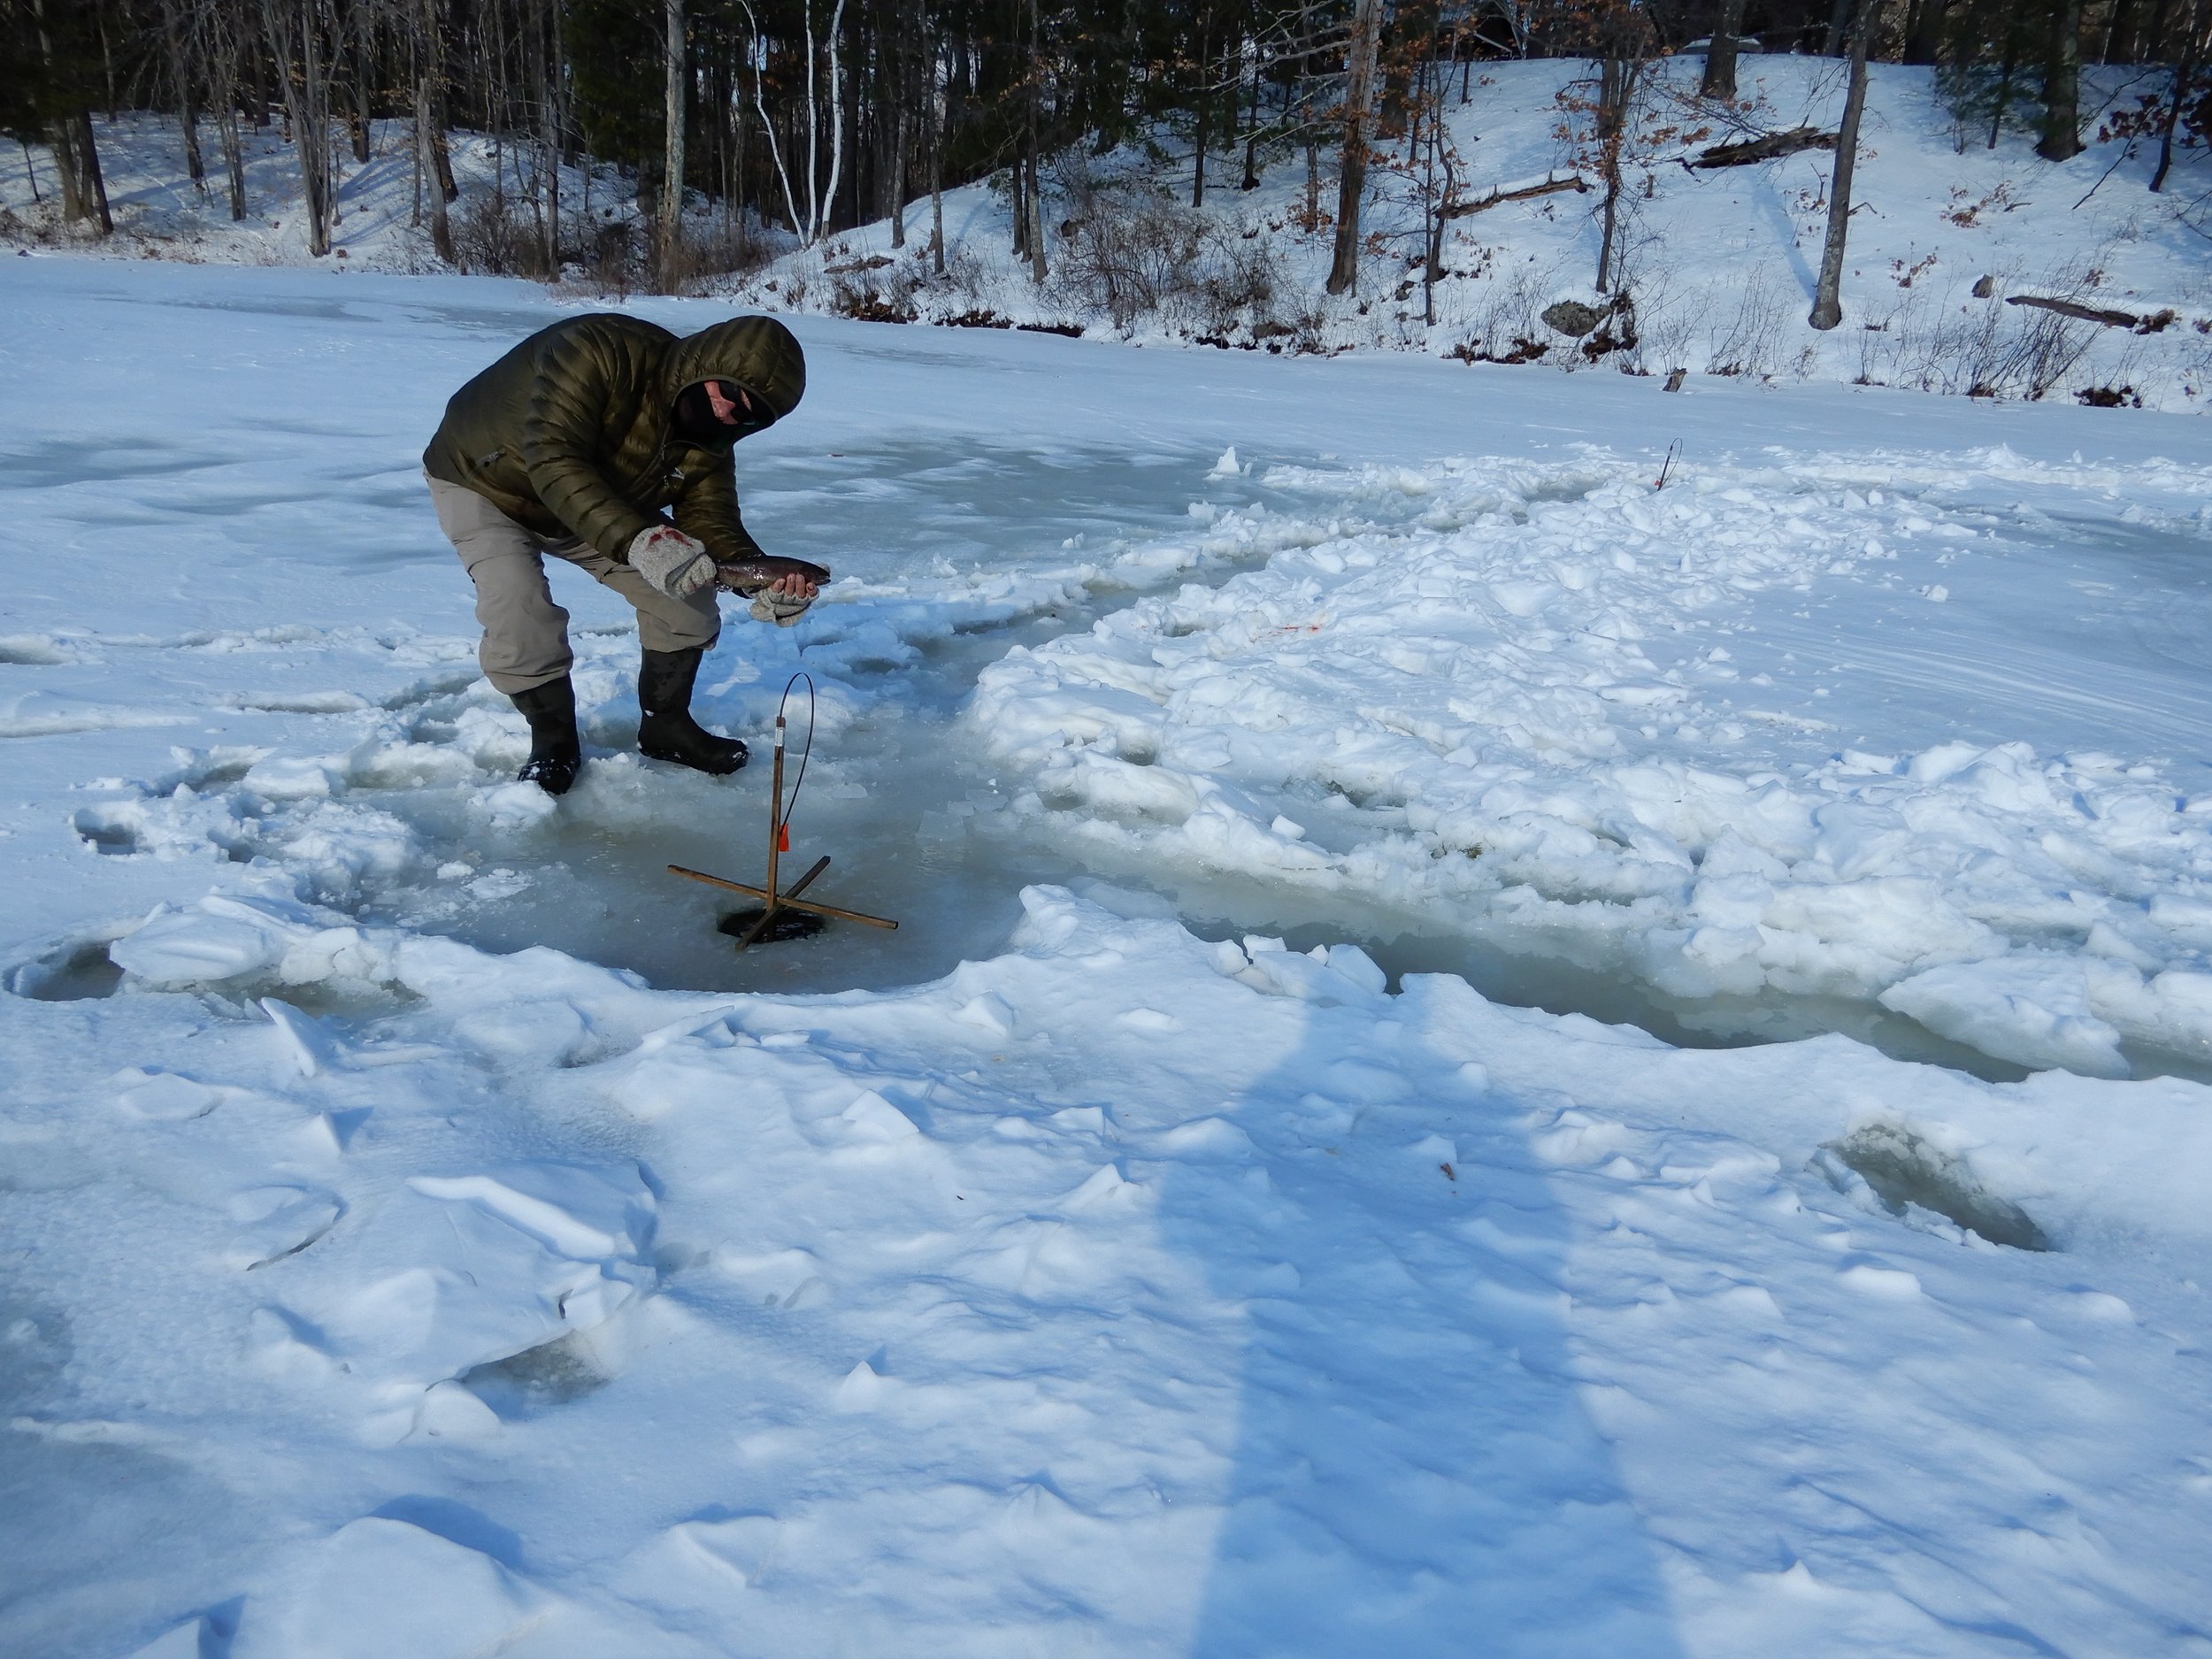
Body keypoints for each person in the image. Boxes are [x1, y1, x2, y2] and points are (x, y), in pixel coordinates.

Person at [423, 311, 824, 796]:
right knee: (518, 607)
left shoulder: (711, 441)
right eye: (729, 395)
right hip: (485, 483)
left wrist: (760, 580)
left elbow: (711, 522)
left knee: (688, 602)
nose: (727, 415)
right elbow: (553, 456)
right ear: (703, 365)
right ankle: (553, 742)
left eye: (749, 413)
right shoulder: (598, 350)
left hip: (600, 501)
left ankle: (665, 727)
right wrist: (641, 540)